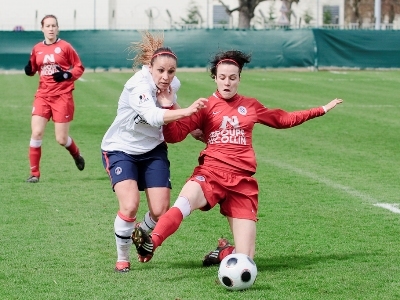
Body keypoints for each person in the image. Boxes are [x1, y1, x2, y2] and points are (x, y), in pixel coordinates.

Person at [131, 49, 343, 265]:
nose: (227, 83)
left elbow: (283, 119)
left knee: (245, 260)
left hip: (242, 183)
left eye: (232, 78)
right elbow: (175, 136)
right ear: (215, 78)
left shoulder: (251, 105)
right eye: (222, 77)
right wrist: (167, 106)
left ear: (239, 79)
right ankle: (151, 243)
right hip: (211, 173)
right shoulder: (204, 107)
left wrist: (321, 109)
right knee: (184, 203)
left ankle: (223, 252)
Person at [100, 31, 207, 272]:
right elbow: (154, 116)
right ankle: (122, 258)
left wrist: (191, 130)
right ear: (150, 68)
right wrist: (189, 113)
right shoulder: (137, 85)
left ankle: (140, 231)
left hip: (153, 149)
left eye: (171, 71)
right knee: (129, 205)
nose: (166, 76)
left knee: (160, 211)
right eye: (160, 71)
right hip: (121, 149)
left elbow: (170, 102)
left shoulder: (171, 84)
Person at [24, 14, 85, 183]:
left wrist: (67, 74)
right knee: (36, 132)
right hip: (43, 95)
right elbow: (33, 68)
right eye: (48, 26)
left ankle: (76, 154)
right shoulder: (37, 48)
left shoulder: (65, 47)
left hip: (62, 96)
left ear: (57, 28)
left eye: (53, 26)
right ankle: (34, 174)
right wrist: (28, 69)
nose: (51, 29)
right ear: (42, 28)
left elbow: (79, 67)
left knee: (61, 139)